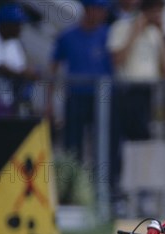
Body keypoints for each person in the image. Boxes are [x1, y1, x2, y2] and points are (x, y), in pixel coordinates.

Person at [50, 0, 112, 160]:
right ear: (88, 10)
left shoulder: (108, 34)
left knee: (103, 142)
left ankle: (102, 181)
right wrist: (49, 100)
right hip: (76, 96)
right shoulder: (68, 36)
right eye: (99, 9)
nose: (102, 14)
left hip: (102, 99)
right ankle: (72, 180)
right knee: (72, 144)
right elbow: (53, 67)